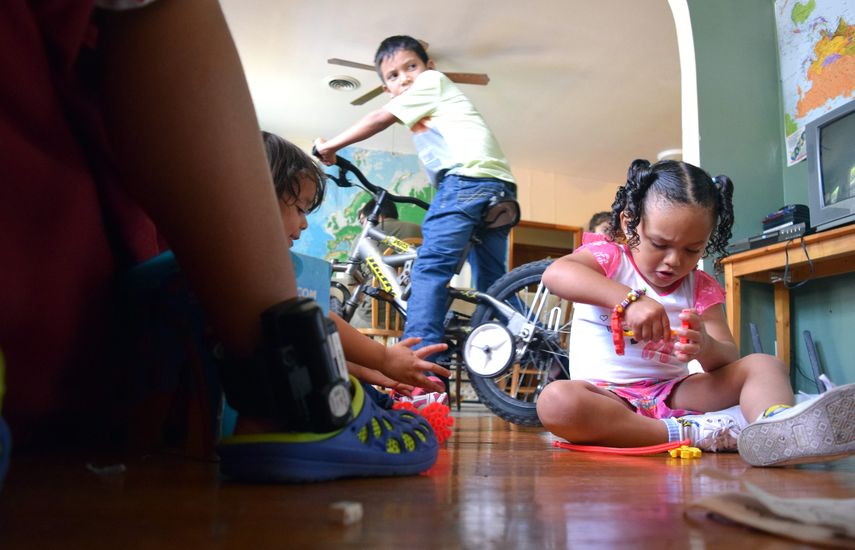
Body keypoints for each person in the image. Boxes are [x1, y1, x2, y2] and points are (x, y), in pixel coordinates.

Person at [1, 0, 439, 483]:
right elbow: (314, 321)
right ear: (253, 189)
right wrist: (376, 359)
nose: (300, 227)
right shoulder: (222, 256)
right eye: (295, 208)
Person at [536, 159, 855, 467]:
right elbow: (557, 274)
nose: (675, 261)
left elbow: (727, 358)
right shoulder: (609, 258)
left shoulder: (699, 286)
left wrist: (705, 346)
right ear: (629, 221)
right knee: (557, 403)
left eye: (692, 250)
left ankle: (775, 428)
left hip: (674, 394)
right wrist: (629, 300)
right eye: (660, 244)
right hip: (607, 397)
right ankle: (691, 433)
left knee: (764, 365)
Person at [314, 35, 517, 387]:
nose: (405, 78)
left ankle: (422, 378)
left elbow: (380, 117)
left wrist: (330, 147)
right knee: (495, 286)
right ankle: (533, 343)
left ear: (429, 67)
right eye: (393, 76)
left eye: (411, 66)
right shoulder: (432, 103)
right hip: (498, 187)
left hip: (465, 181)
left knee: (429, 272)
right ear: (386, 86)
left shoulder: (432, 83)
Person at [260, 131, 448, 397]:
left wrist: (383, 359)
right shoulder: (415, 228)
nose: (304, 223)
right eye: (301, 209)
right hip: (411, 313)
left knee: (351, 313)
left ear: (370, 218)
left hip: (378, 315)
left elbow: (324, 314)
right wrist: (382, 362)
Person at [358, 199, 423, 241]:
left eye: (363, 221)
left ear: (380, 217)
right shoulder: (417, 227)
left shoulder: (365, 238)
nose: (363, 226)